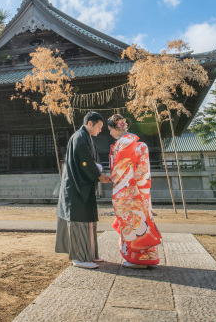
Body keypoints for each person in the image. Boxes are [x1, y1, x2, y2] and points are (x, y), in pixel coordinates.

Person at [55, 111, 111, 269]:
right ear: (90, 124)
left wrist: (99, 173)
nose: (100, 130)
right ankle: (79, 258)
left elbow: (90, 161)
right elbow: (85, 161)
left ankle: (91, 254)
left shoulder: (86, 137)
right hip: (76, 188)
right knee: (79, 221)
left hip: (83, 186)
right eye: (99, 127)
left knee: (89, 221)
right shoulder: (79, 137)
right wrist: (99, 175)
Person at [106, 113, 161, 268]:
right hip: (142, 188)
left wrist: (114, 181)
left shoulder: (122, 144)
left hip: (127, 189)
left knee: (132, 221)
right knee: (145, 219)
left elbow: (119, 170)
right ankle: (149, 256)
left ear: (115, 128)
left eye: (110, 130)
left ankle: (138, 258)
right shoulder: (138, 143)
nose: (110, 133)